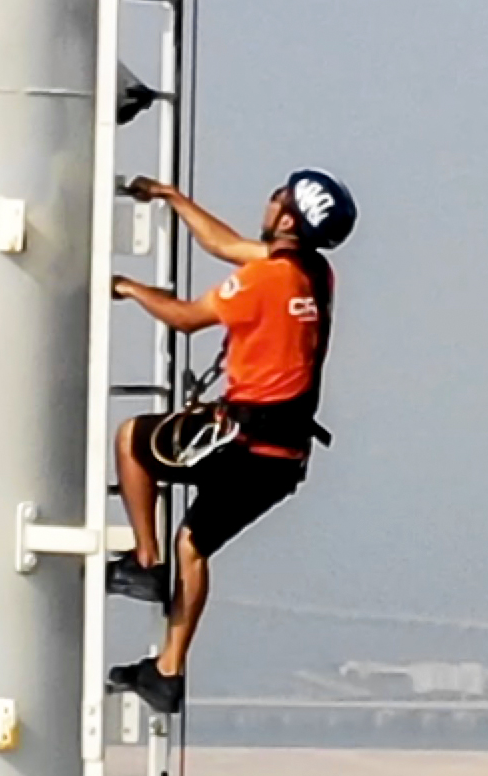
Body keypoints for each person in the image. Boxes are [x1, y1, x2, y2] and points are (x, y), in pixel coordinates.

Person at [102, 168, 350, 716]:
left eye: (276, 197)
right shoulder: (314, 273)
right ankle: (166, 671)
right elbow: (225, 245)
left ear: (287, 218)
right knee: (193, 544)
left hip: (241, 440)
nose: (267, 201)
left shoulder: (265, 281)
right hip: (284, 457)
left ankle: (143, 561)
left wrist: (127, 288)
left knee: (132, 440)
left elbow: (186, 318)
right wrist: (172, 198)